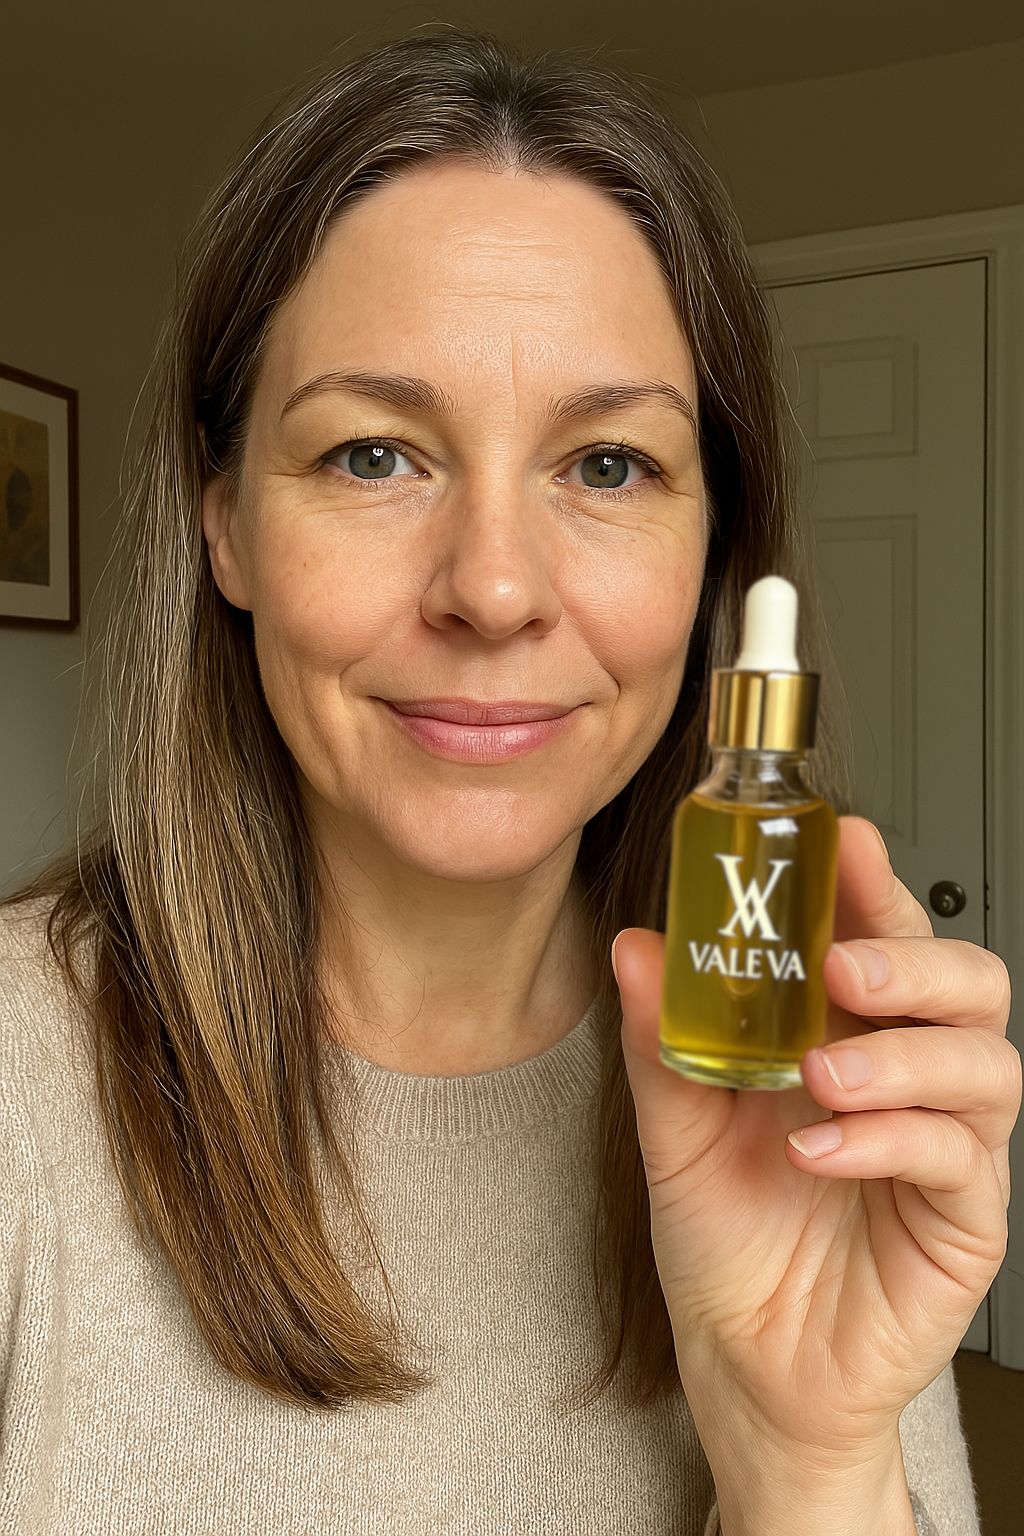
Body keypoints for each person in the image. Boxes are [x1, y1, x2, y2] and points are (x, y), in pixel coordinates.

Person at [1, 26, 1016, 1536]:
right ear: (225, 529)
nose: (492, 588)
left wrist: (805, 1462)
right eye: (373, 455)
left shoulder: (801, 1090)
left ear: (711, 557)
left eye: (607, 465)